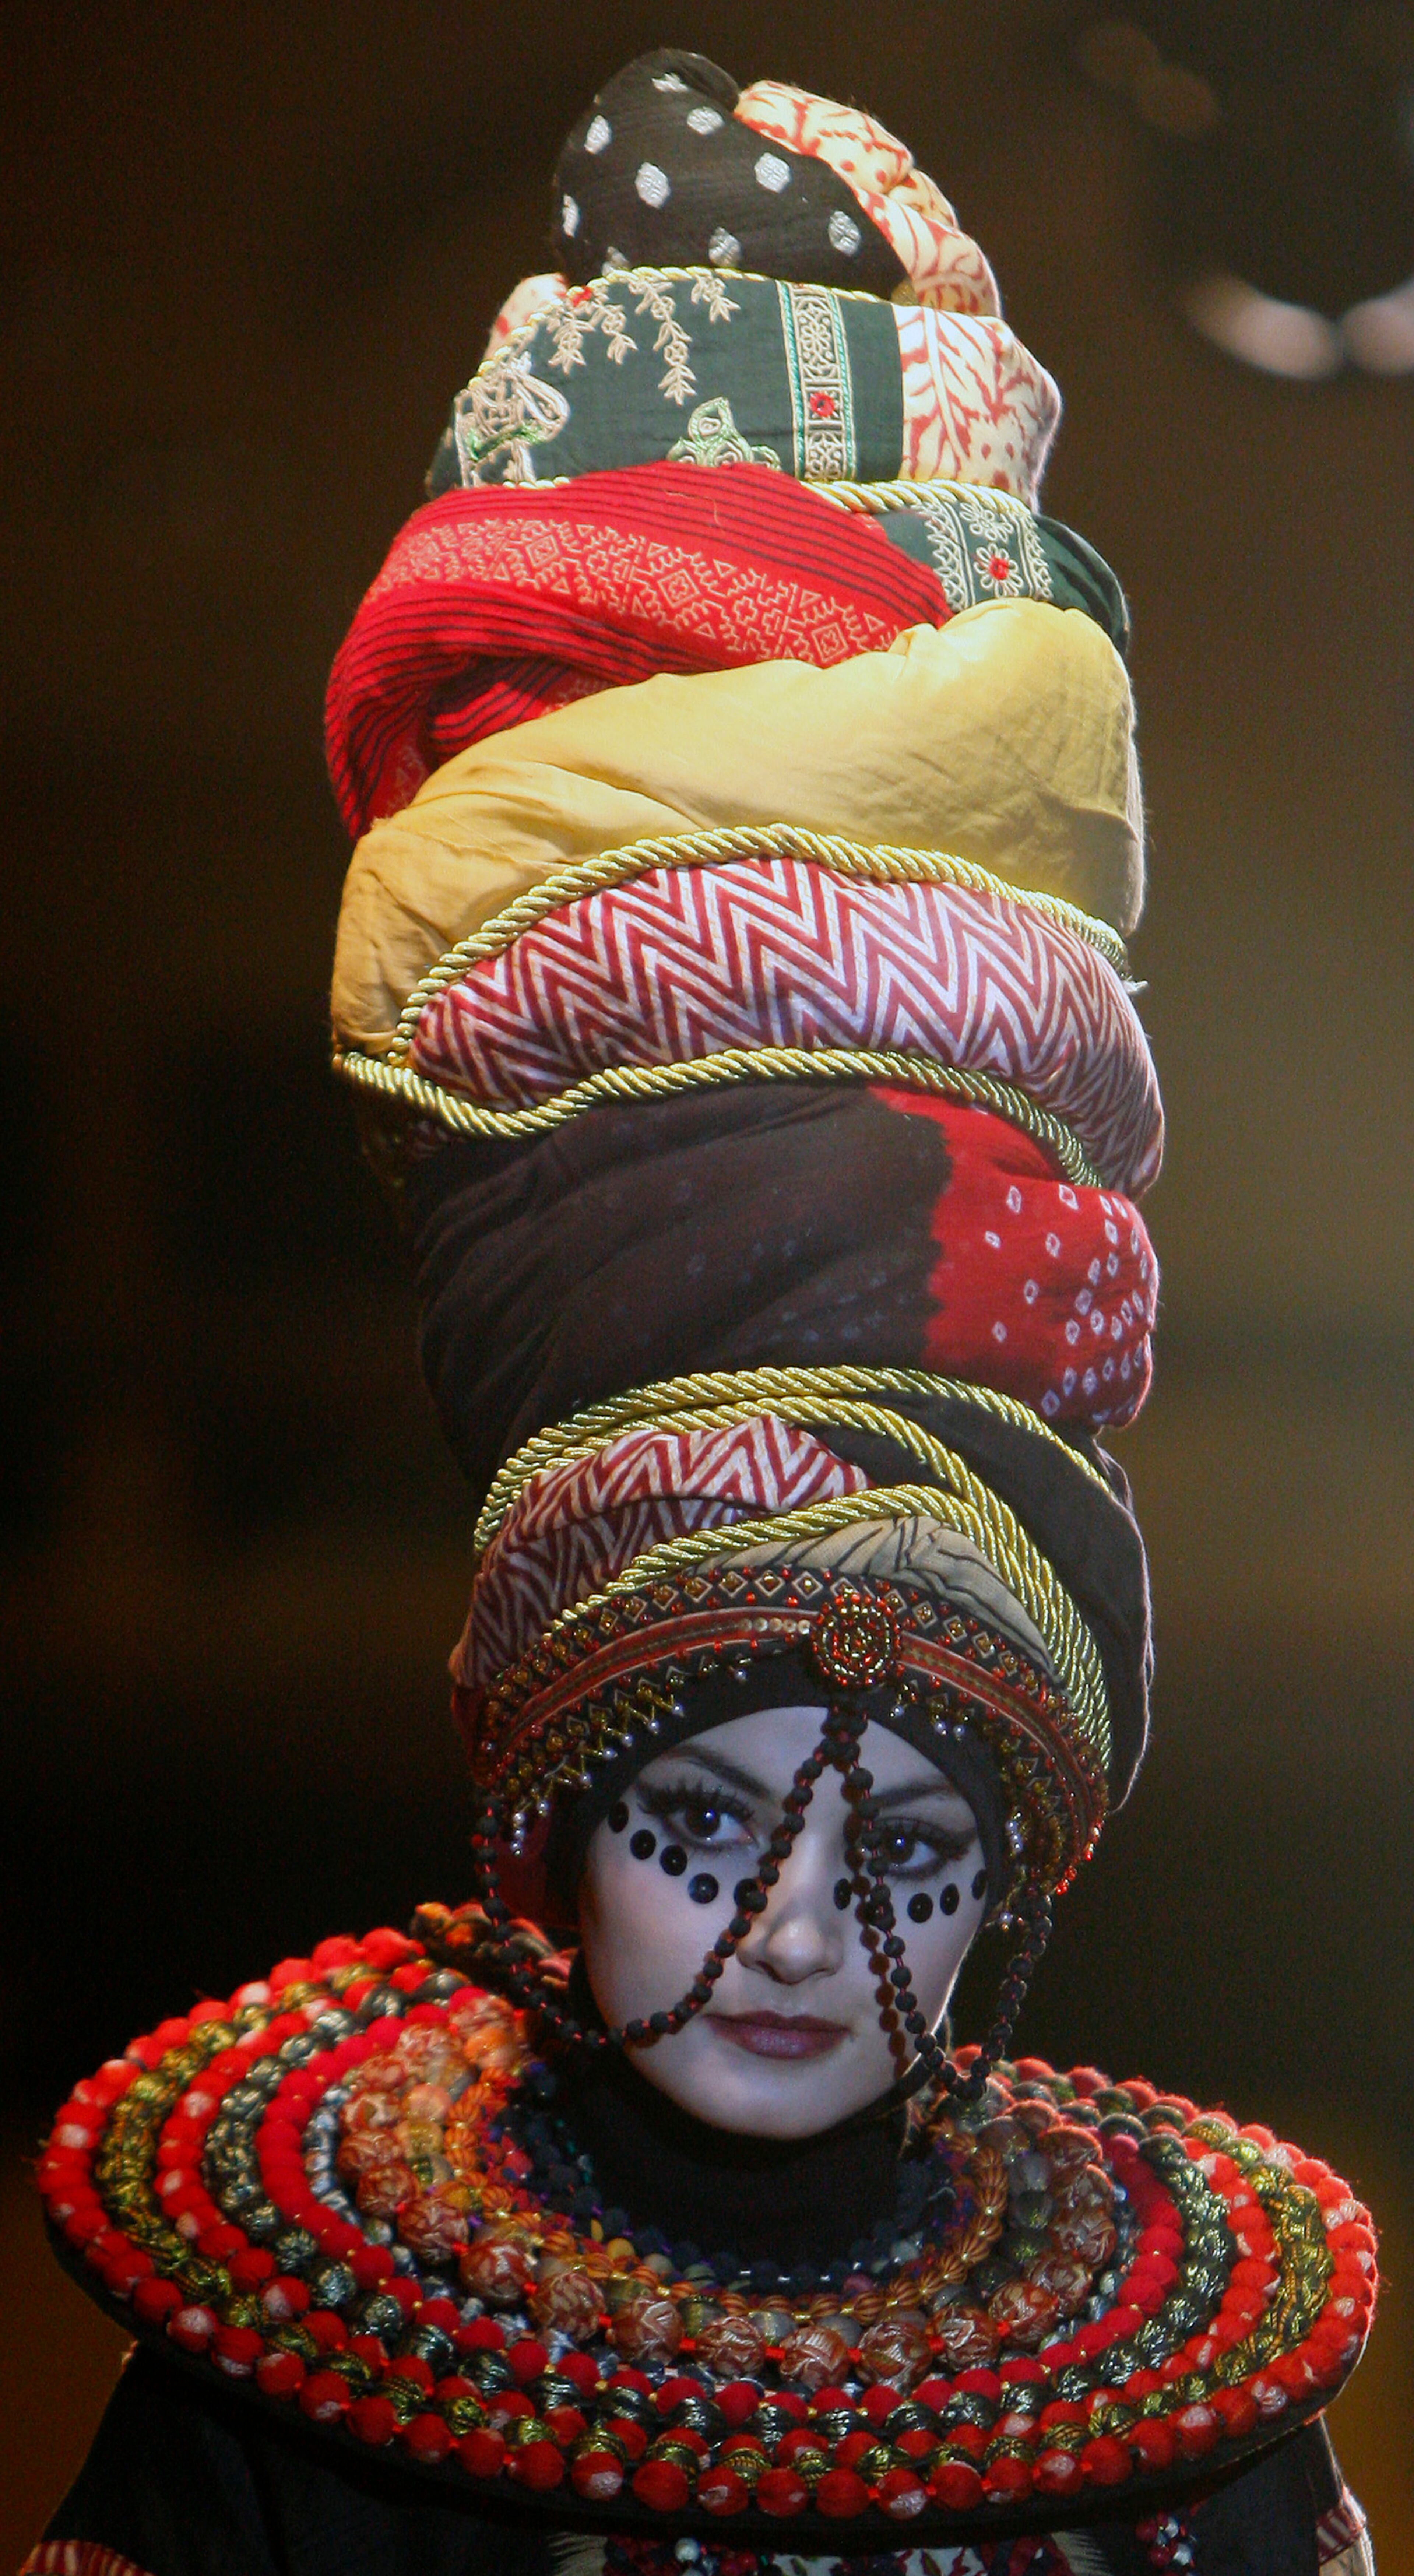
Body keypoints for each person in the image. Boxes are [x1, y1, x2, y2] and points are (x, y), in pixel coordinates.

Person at [28, 49, 1376, 2576]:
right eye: (694, 1818)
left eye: (914, 1838)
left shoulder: (1194, 2466)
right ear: (541, 1815)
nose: (797, 1933)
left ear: (1024, 1870)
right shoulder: (292, 2416)